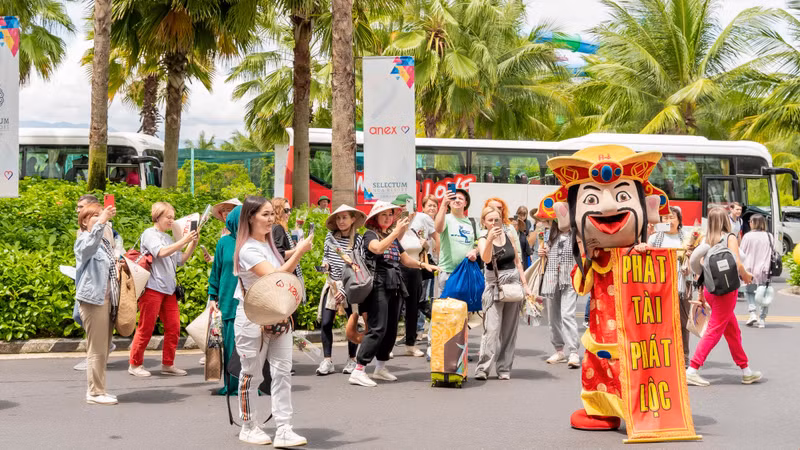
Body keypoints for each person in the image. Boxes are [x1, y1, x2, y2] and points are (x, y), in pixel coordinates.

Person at [233, 196, 313, 446]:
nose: (270, 219)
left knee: (282, 373)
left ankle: (284, 428)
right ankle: (248, 425)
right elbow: (274, 275)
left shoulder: (269, 245)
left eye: (271, 214)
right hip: (252, 319)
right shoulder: (247, 248)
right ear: (250, 217)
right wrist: (299, 251)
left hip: (278, 316)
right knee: (251, 375)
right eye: (264, 215)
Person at [349, 201, 438, 387]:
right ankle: (358, 370)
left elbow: (405, 259)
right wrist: (396, 233)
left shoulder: (391, 236)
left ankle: (380, 368)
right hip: (378, 285)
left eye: (391, 215)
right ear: (375, 218)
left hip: (395, 284)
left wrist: (424, 265)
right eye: (384, 215)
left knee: (391, 329)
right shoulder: (370, 235)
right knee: (377, 327)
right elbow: (377, 248)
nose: (388, 218)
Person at [687, 207, 762, 386]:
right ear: (726, 221)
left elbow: (700, 270)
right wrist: (747, 276)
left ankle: (746, 370)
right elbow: (736, 262)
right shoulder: (729, 237)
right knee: (714, 330)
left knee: (732, 331)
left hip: (710, 289)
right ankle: (693, 369)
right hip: (726, 291)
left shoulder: (705, 240)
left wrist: (701, 294)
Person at [128, 202, 198, 377]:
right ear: (157, 216)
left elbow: (180, 260)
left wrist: (193, 244)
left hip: (169, 289)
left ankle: (168, 364)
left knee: (174, 327)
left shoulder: (168, 238)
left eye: (173, 217)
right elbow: (160, 253)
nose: (171, 220)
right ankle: (135, 364)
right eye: (168, 217)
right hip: (152, 287)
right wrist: (184, 240)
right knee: (146, 327)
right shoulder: (149, 234)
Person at [475, 207, 531, 380]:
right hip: (494, 287)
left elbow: (518, 262)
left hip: (513, 287)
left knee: (509, 331)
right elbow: (485, 259)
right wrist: (490, 239)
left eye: (496, 220)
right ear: (484, 222)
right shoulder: (484, 238)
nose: (494, 223)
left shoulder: (509, 236)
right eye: (490, 220)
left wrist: (525, 285)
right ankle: (483, 369)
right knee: (491, 329)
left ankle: (504, 368)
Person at [75, 203, 119, 405]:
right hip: (94, 300)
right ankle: (94, 392)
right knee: (97, 348)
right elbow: (88, 247)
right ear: (84, 221)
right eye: (94, 215)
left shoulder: (104, 242)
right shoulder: (84, 239)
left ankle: (100, 389)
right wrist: (102, 221)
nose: (100, 217)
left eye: (100, 214)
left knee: (104, 348)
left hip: (108, 300)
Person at [635, 206, 691, 366]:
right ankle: (661, 356)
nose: (668, 221)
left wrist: (690, 255)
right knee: (660, 322)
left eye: (672, 217)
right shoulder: (654, 239)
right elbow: (645, 258)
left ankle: (684, 358)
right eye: (665, 218)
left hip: (682, 287)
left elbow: (696, 263)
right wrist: (642, 247)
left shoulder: (687, 238)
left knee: (683, 322)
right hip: (660, 287)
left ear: (679, 220)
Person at [317, 205, 365, 375]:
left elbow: (357, 266)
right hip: (331, 285)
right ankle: (327, 360)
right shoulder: (330, 237)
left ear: (353, 219)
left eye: (344, 217)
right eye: (338, 218)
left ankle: (352, 359)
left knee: (352, 325)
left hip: (350, 286)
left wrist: (344, 290)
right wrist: (325, 265)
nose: (341, 221)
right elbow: (326, 257)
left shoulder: (358, 240)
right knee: (326, 322)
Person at [207, 204, 242, 395]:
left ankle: (251, 383)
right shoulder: (224, 242)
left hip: (251, 302)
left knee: (248, 346)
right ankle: (232, 385)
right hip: (228, 300)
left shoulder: (256, 241)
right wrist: (213, 296)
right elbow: (216, 271)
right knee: (230, 344)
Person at [540, 221, 580, 368]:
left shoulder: (578, 234)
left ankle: (574, 351)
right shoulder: (551, 235)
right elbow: (545, 254)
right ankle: (559, 350)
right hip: (551, 278)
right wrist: (543, 253)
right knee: (552, 316)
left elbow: (583, 254)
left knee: (567, 314)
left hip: (570, 278)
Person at [393, 196, 427, 357]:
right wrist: (401, 226)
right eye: (402, 209)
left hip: (415, 272)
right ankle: (387, 345)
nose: (407, 213)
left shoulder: (414, 230)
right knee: (395, 309)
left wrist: (425, 244)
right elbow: (395, 243)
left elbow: (421, 249)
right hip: (399, 271)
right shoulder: (394, 229)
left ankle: (410, 344)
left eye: (409, 209)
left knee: (413, 309)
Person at [434, 188, 478, 296]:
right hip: (447, 273)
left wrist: (475, 251)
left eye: (460, 198)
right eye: (454, 198)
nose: (457, 200)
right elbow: (438, 229)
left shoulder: (472, 222)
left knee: (464, 309)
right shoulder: (446, 218)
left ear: (465, 203)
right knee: (446, 310)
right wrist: (443, 204)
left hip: (466, 273)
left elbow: (480, 243)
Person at [740, 214, 775, 329]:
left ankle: (753, 313)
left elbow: (741, 253)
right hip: (765, 270)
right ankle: (762, 319)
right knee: (765, 294)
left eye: (750, 221)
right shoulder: (769, 236)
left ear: (753, 223)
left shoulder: (747, 237)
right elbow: (773, 252)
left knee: (749, 291)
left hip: (749, 269)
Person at [414, 195, 439, 336]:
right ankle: (419, 327)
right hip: (424, 262)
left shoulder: (437, 221)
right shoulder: (421, 219)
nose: (432, 208)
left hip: (433, 263)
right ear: (423, 207)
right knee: (423, 297)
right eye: (429, 205)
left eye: (434, 205)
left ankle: (424, 327)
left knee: (428, 296)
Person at [271, 198, 305, 295]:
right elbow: (280, 254)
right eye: (286, 210)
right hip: (285, 277)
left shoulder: (275, 227)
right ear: (277, 211)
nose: (289, 213)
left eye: (290, 210)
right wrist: (299, 249)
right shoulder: (278, 228)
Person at [483, 197, 523, 262]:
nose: (495, 210)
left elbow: (518, 252)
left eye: (499, 208)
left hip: (509, 268)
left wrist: (517, 268)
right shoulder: (482, 229)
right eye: (491, 207)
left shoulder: (509, 228)